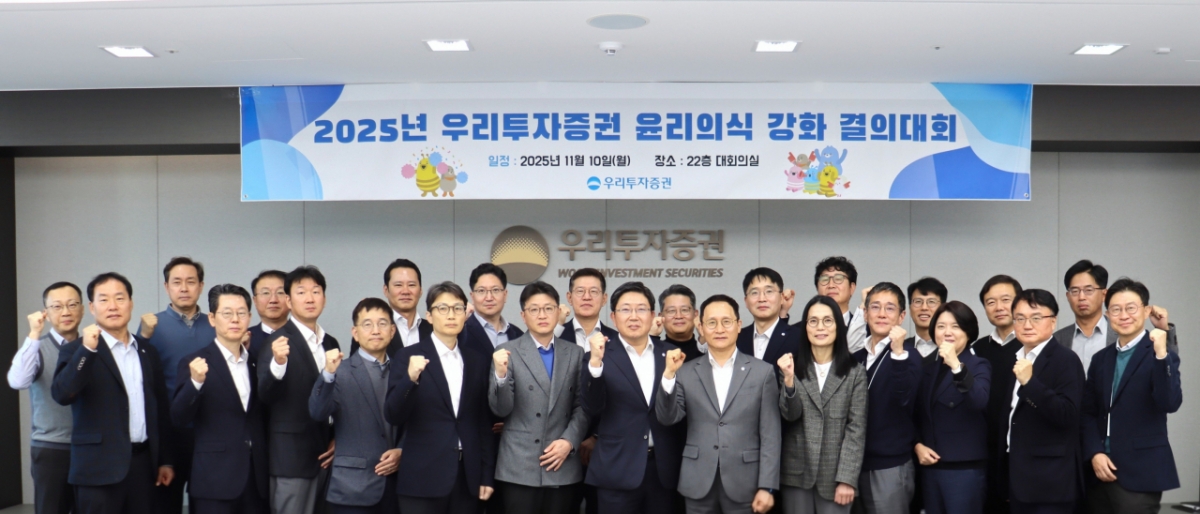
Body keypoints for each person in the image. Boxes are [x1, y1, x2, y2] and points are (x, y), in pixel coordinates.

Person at [51, 272, 175, 514]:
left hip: (143, 466)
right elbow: (62, 394)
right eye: (104, 299)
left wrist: (165, 460)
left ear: (131, 303)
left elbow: (160, 408)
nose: (113, 306)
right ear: (92, 307)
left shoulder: (147, 351)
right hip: (97, 469)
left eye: (119, 298)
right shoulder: (76, 350)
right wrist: (87, 351)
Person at [657, 293, 781, 514]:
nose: (720, 329)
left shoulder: (762, 372)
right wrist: (668, 376)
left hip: (746, 483)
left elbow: (771, 434)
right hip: (697, 481)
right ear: (701, 327)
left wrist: (767, 486)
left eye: (726, 321)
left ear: (738, 325)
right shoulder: (686, 371)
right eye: (712, 323)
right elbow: (668, 418)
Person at [387, 281, 496, 514]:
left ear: (465, 314)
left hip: (467, 478)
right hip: (422, 479)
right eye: (443, 308)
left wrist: (486, 474)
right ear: (429, 315)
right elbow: (393, 414)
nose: (451, 315)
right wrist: (410, 379)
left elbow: (482, 422)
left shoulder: (477, 360)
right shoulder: (408, 356)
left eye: (457, 308)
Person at [581, 281, 683, 514]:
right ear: (613, 317)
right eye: (626, 309)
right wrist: (595, 363)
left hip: (662, 470)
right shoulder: (598, 356)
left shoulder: (670, 354)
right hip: (617, 470)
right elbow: (592, 407)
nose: (634, 316)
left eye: (641, 309)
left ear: (653, 315)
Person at [1081, 279, 1182, 513]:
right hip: (1098, 471)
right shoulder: (1101, 359)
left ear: (1146, 311)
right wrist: (1094, 452)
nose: (1124, 315)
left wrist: (1161, 353)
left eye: (1131, 308)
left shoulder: (1161, 354)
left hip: (1140, 471)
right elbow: (1088, 412)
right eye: (1116, 309)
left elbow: (1169, 402)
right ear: (1107, 315)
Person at [489, 281, 588, 514]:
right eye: (534, 309)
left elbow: (582, 406)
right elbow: (500, 409)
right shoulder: (507, 352)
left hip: (562, 462)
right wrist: (500, 375)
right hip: (519, 465)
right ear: (523, 315)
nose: (542, 315)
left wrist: (569, 442)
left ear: (558, 311)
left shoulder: (575, 353)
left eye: (548, 308)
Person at [171, 284, 268, 514]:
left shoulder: (256, 362)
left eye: (241, 313)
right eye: (227, 313)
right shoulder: (194, 362)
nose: (235, 319)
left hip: (255, 479)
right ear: (212, 319)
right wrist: (195, 383)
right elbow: (178, 417)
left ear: (249, 317)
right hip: (214, 480)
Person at [257, 265, 340, 514]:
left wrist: (336, 436)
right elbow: (265, 395)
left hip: (326, 455)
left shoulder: (330, 342)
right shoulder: (277, 342)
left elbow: (336, 396)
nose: (310, 298)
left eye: (316, 291)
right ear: (289, 301)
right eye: (301, 292)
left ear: (324, 298)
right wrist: (278, 363)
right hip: (290, 459)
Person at [309, 298, 401, 514]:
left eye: (382, 323)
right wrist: (328, 374)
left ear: (392, 331)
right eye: (367, 324)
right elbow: (317, 412)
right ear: (355, 333)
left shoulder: (405, 371)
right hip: (352, 488)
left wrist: (402, 450)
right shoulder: (340, 372)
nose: (376, 330)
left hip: (399, 486)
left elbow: (419, 420)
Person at [776, 295, 866, 514]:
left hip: (835, 477)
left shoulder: (855, 372)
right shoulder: (790, 365)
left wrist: (846, 479)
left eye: (827, 320)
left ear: (838, 326)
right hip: (796, 474)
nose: (820, 327)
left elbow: (856, 429)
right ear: (805, 327)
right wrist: (788, 380)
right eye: (813, 321)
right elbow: (790, 415)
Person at [140, 256, 216, 514]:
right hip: (168, 433)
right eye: (177, 282)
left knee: (206, 503)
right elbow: (139, 374)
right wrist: (143, 336)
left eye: (191, 282)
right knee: (165, 503)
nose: (184, 288)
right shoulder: (152, 326)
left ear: (201, 286)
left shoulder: (215, 323)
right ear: (166, 287)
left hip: (208, 430)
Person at [1000, 289, 1085, 513]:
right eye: (1020, 318)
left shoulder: (1066, 360)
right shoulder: (1016, 359)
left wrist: (1030, 384)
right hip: (1018, 477)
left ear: (1053, 322)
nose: (1027, 325)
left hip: (1050, 481)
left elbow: (1068, 415)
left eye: (1036, 318)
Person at [7, 282, 83, 514]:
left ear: (83, 309)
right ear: (46, 313)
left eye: (72, 305)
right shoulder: (37, 348)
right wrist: (33, 334)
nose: (66, 312)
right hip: (52, 449)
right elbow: (17, 381)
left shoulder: (91, 347)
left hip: (88, 448)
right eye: (57, 306)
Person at [913, 301, 991, 514]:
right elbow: (916, 413)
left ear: (968, 331)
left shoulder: (978, 365)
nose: (947, 332)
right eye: (941, 326)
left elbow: (978, 401)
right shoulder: (928, 369)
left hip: (964, 469)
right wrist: (917, 444)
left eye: (955, 326)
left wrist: (957, 366)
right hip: (931, 467)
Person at [851, 282, 920, 514]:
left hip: (889, 465)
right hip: (854, 465)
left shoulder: (909, 356)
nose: (881, 314)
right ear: (865, 313)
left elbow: (905, 399)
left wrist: (898, 353)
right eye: (875, 307)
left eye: (890, 308)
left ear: (901, 316)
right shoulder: (857, 357)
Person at [1054, 260, 1177, 374]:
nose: (1081, 297)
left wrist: (1163, 329)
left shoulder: (1125, 330)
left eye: (1089, 290)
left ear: (1104, 294)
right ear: (1068, 296)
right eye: (1075, 291)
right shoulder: (1058, 339)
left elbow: (1168, 368)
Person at [967, 274, 1023, 514]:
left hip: (1019, 456)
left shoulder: (1032, 346)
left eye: (1006, 300)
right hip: (981, 454)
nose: (999, 307)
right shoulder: (976, 350)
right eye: (991, 302)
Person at [737, 267, 801, 365]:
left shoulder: (798, 338)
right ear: (746, 301)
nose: (762, 299)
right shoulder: (736, 338)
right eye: (754, 293)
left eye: (769, 291)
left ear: (781, 298)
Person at [463, 263, 525, 355]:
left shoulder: (518, 335)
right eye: (481, 291)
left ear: (505, 295)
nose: (489, 298)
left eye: (495, 290)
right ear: (472, 297)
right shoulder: (462, 332)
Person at [813, 257, 867, 354]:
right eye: (824, 279)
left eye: (838, 279)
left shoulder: (867, 330)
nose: (831, 285)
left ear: (852, 288)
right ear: (817, 288)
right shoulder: (801, 330)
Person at [383, 258, 432, 353]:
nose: (405, 291)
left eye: (411, 285)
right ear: (386, 290)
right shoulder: (374, 331)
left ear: (420, 290)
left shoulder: (434, 330)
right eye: (398, 285)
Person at [656, 284, 706, 362]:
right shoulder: (653, 352)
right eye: (671, 311)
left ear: (695, 315)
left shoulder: (709, 353)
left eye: (684, 310)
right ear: (661, 317)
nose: (678, 316)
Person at [905, 278, 947, 365]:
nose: (924, 307)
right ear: (910, 308)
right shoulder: (900, 348)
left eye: (931, 302)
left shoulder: (955, 349)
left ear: (943, 308)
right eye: (918, 301)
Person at [248, 270, 289, 356]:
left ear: (290, 299)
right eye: (266, 293)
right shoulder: (243, 339)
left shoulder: (305, 336)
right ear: (255, 300)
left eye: (280, 292)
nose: (273, 300)